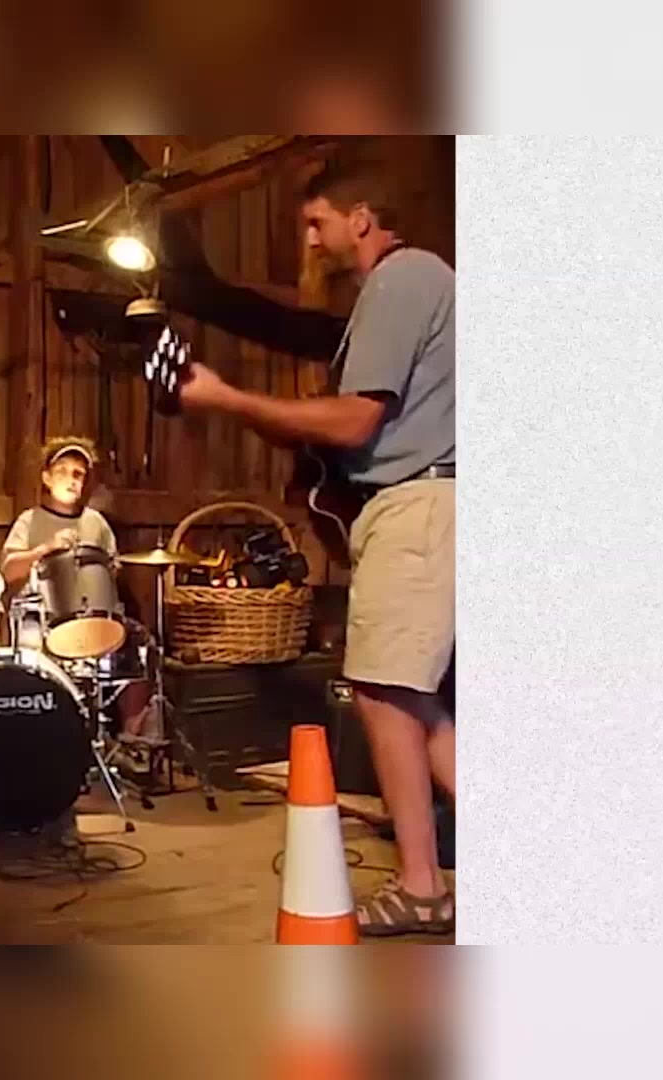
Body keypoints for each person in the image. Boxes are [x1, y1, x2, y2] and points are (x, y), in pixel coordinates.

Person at [176, 159, 456, 936]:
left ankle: (424, 886)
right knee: (408, 700)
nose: (309, 238)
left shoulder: (401, 279)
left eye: (316, 221)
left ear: (360, 217)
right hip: (421, 505)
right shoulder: (413, 285)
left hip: (417, 507)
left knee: (383, 689)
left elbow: (356, 421)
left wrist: (227, 398)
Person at [0, 437, 165, 773]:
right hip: (42, 621)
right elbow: (8, 570)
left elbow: (111, 572)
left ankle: (132, 744)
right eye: (63, 471)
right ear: (46, 478)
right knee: (28, 657)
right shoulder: (30, 521)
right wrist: (45, 549)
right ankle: (39, 748)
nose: (72, 479)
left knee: (142, 646)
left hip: (95, 619)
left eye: (78, 473)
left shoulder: (96, 524)